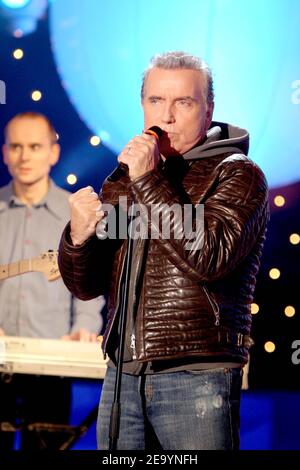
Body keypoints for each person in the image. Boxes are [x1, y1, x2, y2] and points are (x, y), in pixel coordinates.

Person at [58, 51, 269, 450]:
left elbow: (209, 256)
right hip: (123, 375)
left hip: (197, 377)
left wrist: (149, 180)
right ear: (143, 105)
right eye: (156, 101)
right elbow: (86, 287)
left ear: (208, 110)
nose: (166, 116)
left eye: (183, 102)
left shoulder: (237, 173)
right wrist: (78, 238)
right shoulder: (125, 180)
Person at [0, 112, 104, 450]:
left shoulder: (75, 212)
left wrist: (85, 326)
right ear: (5, 152)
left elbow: (88, 279)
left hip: (52, 366)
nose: (24, 155)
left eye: (34, 146)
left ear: (53, 153)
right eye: (16, 146)